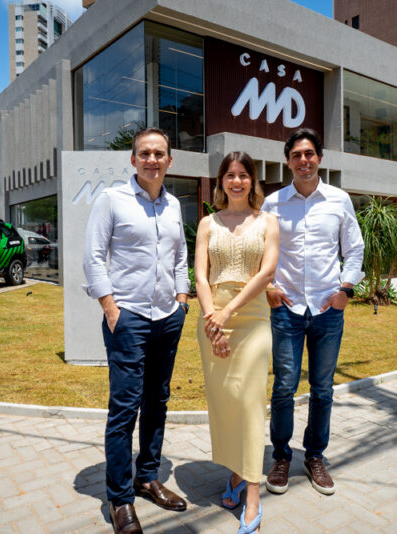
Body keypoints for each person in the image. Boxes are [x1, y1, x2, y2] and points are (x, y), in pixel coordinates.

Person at [83, 128, 190, 534]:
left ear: (169, 160)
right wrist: (110, 308)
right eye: (144, 153)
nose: (152, 159)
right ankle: (120, 499)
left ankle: (147, 477)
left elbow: (180, 255)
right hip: (127, 318)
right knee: (125, 408)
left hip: (167, 316)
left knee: (158, 400)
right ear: (133, 160)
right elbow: (93, 257)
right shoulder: (112, 199)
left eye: (159, 153)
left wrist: (181, 299)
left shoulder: (175, 205)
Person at [261, 128, 365, 497]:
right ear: (287, 161)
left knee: (322, 389)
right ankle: (281, 456)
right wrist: (270, 288)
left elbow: (354, 249)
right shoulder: (273, 204)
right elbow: (261, 253)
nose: (303, 161)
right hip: (287, 310)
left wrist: (345, 290)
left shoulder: (339, 200)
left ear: (319, 157)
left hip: (327, 310)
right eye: (296, 155)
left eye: (309, 154)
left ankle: (315, 456)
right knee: (284, 388)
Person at [194, 152, 279, 534]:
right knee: (227, 403)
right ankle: (236, 474)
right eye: (230, 175)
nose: (237, 182)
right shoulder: (207, 223)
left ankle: (253, 495)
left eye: (244, 175)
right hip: (212, 317)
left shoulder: (268, 222)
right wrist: (213, 319)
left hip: (252, 320)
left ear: (253, 181)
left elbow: (267, 273)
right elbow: (199, 274)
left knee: (250, 404)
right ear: (221, 181)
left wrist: (227, 316)